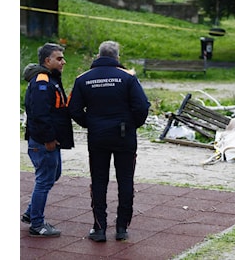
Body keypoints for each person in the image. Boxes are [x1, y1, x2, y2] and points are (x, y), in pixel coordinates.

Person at [68, 40, 150, 242]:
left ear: (98, 55)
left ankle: (99, 228)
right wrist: (132, 124)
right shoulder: (128, 78)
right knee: (125, 181)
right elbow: (142, 106)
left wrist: (90, 124)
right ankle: (122, 227)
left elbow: (74, 109)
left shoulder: (83, 79)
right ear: (117, 57)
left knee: (98, 181)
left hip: (97, 137)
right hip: (124, 136)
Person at [21, 43, 74, 237]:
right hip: (43, 142)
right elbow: (40, 115)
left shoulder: (51, 79)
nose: (63, 62)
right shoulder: (42, 82)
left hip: (49, 139)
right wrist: (48, 139)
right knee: (44, 180)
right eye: (59, 58)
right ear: (47, 61)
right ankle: (37, 224)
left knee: (53, 175)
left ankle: (30, 213)